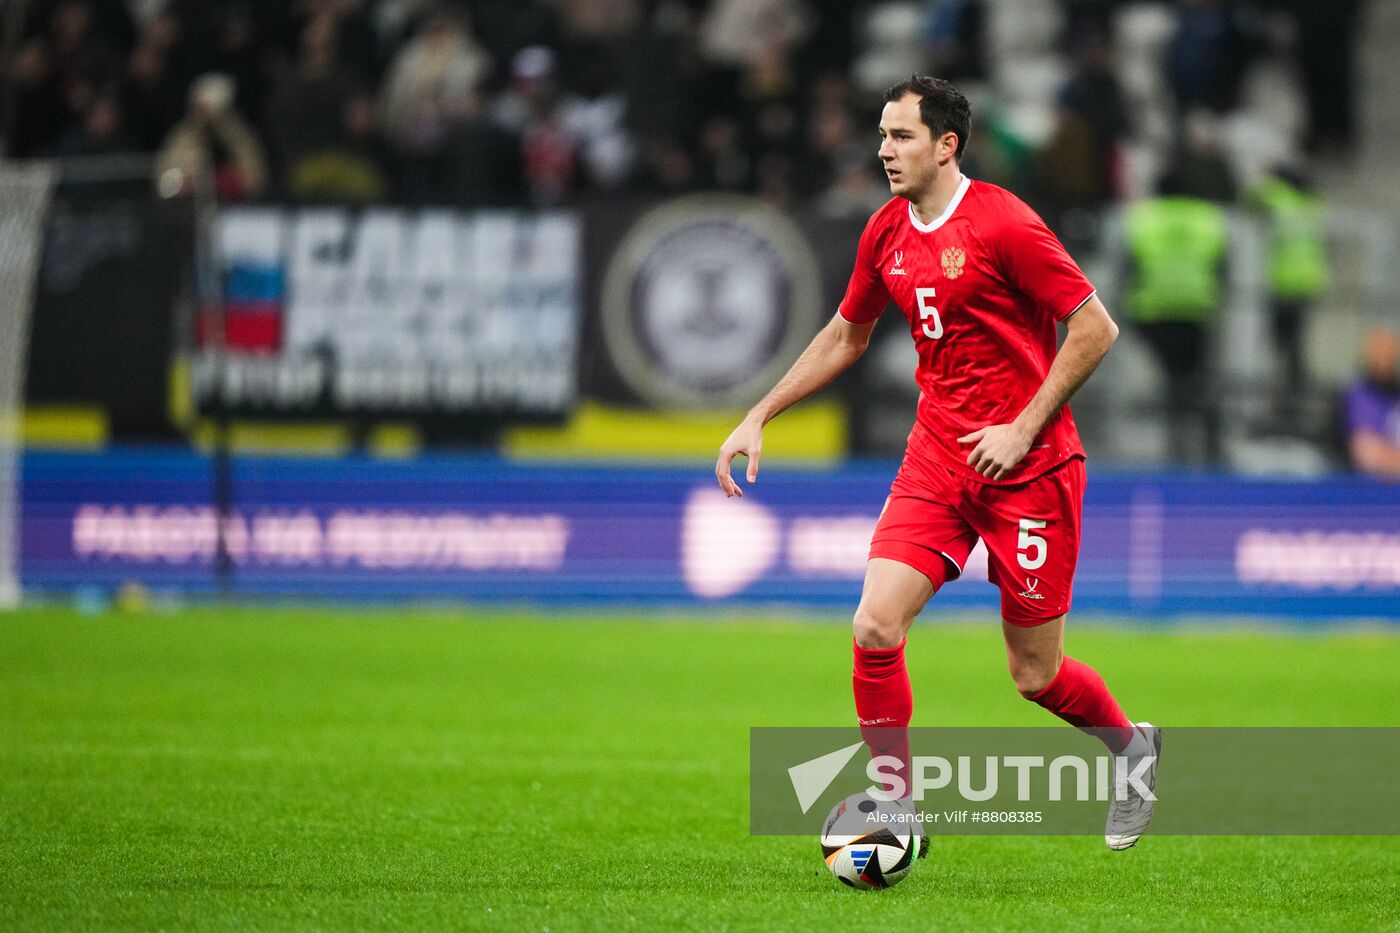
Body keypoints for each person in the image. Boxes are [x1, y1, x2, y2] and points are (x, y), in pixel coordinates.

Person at [715, 75, 1159, 850]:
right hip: (937, 460)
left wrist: (1021, 428)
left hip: (1032, 468)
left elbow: (1095, 327)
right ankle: (896, 808)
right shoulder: (885, 230)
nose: (884, 151)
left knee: (1035, 676)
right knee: (875, 625)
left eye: (902, 137)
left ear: (947, 145)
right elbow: (845, 335)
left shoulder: (1005, 223)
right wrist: (760, 412)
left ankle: (1133, 749)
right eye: (883, 136)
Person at [1342, 327, 1400, 480]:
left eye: (1389, 356)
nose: (1384, 362)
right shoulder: (1358, 396)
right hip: (1368, 492)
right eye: (1379, 355)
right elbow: (1367, 454)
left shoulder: (1395, 396)